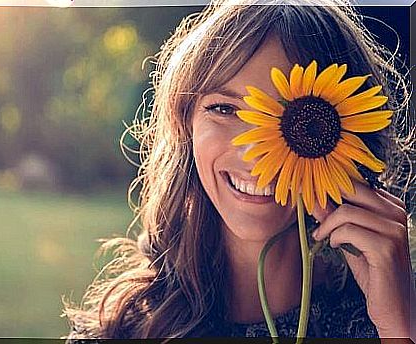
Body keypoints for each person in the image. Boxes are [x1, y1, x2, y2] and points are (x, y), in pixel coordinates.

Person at [63, 0, 416, 340]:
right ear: (185, 124)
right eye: (225, 109)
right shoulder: (121, 333)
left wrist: (400, 329)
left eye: (289, 114)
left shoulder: (386, 317)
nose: (254, 153)